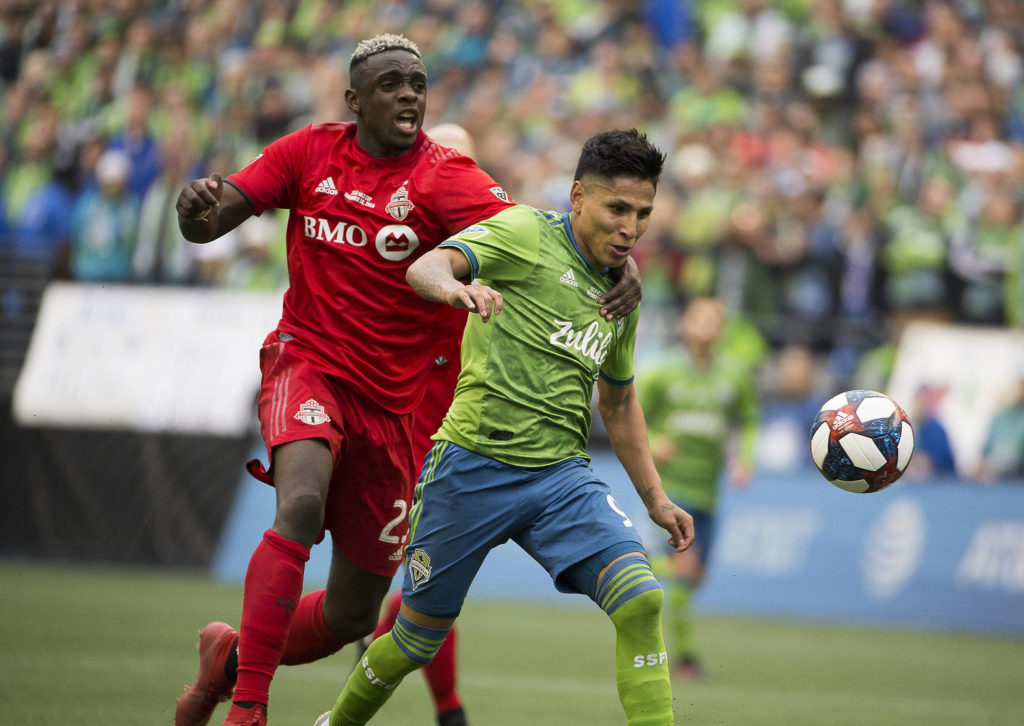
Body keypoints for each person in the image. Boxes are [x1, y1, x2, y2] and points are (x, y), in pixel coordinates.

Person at [172, 35, 640, 726]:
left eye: (418, 83)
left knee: (354, 611)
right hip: (311, 363)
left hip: (405, 418)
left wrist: (611, 257)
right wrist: (196, 210)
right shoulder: (307, 152)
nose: (409, 95)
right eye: (392, 83)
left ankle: (231, 661)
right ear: (354, 100)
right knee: (299, 506)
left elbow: (542, 242)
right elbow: (217, 216)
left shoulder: (450, 183)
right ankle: (250, 708)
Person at [318, 128, 693, 726]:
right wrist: (453, 287)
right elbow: (426, 266)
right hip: (470, 468)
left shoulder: (622, 292)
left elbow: (618, 404)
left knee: (643, 599)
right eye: (617, 208)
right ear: (576, 196)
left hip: (561, 479)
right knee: (414, 642)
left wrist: (656, 499)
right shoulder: (524, 234)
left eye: (643, 213)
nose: (631, 226)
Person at [637, 296, 759, 680]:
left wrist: (745, 459)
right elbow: (631, 414)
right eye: (699, 318)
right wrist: (655, 440)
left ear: (722, 329)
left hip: (710, 492)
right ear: (685, 325)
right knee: (683, 574)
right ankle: (686, 659)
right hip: (671, 489)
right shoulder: (663, 372)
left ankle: (638, 562)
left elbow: (751, 419)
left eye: (714, 320)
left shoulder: (734, 377)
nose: (707, 326)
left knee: (694, 578)